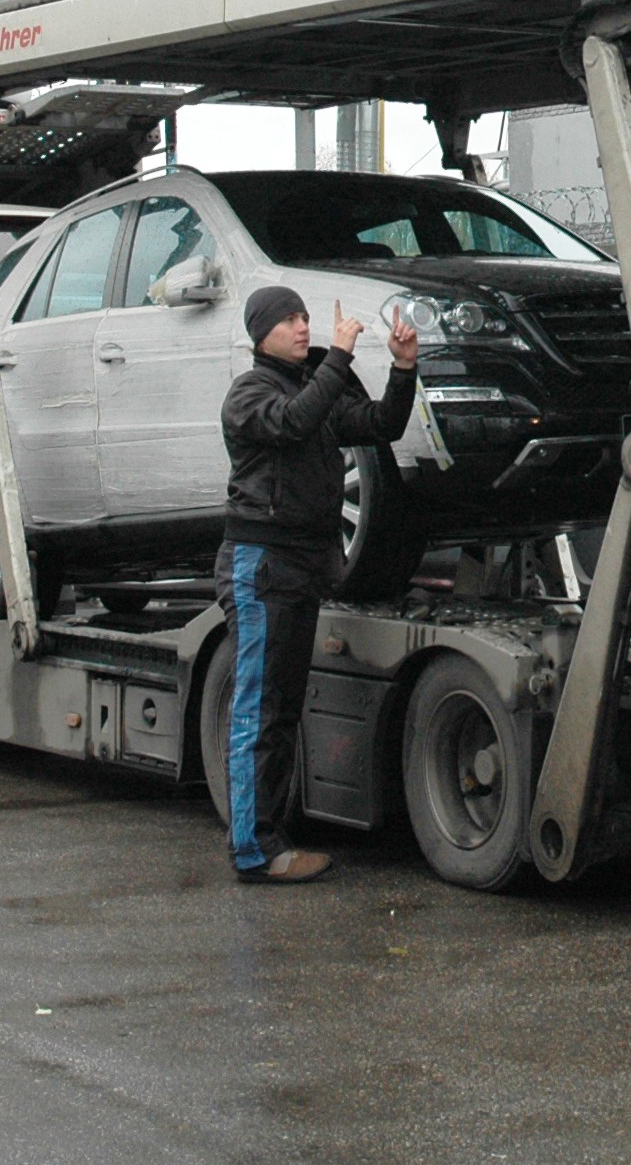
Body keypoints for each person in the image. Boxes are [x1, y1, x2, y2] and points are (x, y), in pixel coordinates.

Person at [218, 283, 418, 884]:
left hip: (302, 566)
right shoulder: (250, 392)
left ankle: (270, 839)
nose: (301, 327)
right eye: (288, 320)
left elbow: (381, 423)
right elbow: (292, 425)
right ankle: (254, 850)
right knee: (259, 709)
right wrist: (341, 356)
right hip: (261, 565)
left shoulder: (313, 387)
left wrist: (404, 367)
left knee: (282, 710)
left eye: (304, 317)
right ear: (261, 334)